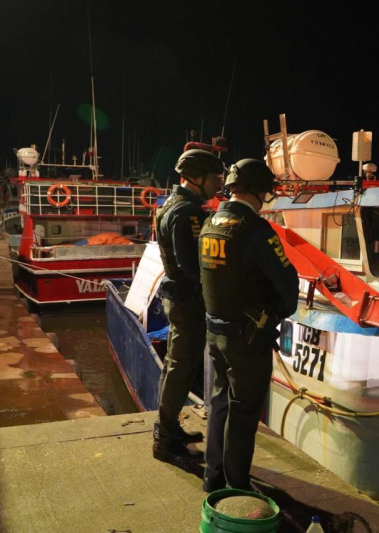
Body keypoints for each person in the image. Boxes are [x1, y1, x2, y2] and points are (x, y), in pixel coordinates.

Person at [199, 159, 299, 492]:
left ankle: (213, 475)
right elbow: (287, 283)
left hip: (215, 332)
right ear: (259, 190)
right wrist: (277, 313)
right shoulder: (255, 229)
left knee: (219, 402)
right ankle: (236, 484)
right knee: (243, 411)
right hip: (247, 338)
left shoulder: (210, 223)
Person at [153, 149, 225, 464]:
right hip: (187, 300)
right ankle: (165, 440)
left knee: (177, 365)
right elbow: (192, 266)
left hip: (180, 297)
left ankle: (169, 429)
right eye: (214, 177)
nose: (218, 183)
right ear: (196, 178)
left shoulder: (176, 205)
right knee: (180, 368)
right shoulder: (186, 212)